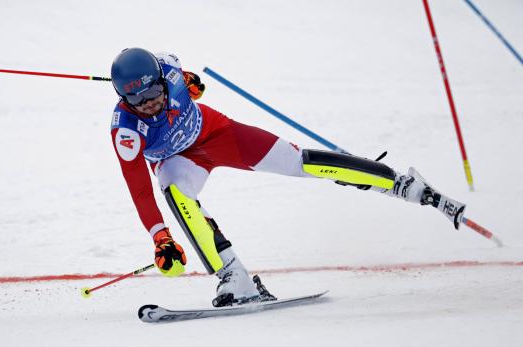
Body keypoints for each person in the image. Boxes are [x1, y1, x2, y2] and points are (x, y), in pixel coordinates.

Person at [109, 48, 466, 307]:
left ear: (161, 79)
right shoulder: (126, 131)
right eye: (138, 100)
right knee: (173, 190)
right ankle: (234, 279)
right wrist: (161, 238)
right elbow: (139, 189)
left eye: (154, 93)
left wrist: (192, 85)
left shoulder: (169, 66)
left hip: (218, 134)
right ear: (123, 99)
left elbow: (194, 86)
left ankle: (405, 185)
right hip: (177, 160)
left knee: (301, 162)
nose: (150, 103)